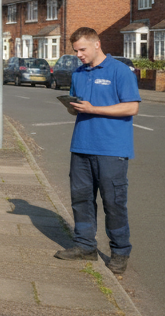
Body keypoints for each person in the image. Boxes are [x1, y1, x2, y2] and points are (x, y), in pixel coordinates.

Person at [54, 27, 139, 275]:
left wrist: (94, 109)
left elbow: (131, 108)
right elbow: (80, 106)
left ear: (97, 45)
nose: (78, 55)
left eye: (82, 49)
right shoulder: (79, 73)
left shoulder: (120, 72)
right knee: (81, 199)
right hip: (81, 145)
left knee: (113, 202)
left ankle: (120, 252)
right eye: (75, 50)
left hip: (111, 148)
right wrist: (73, 107)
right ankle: (85, 246)